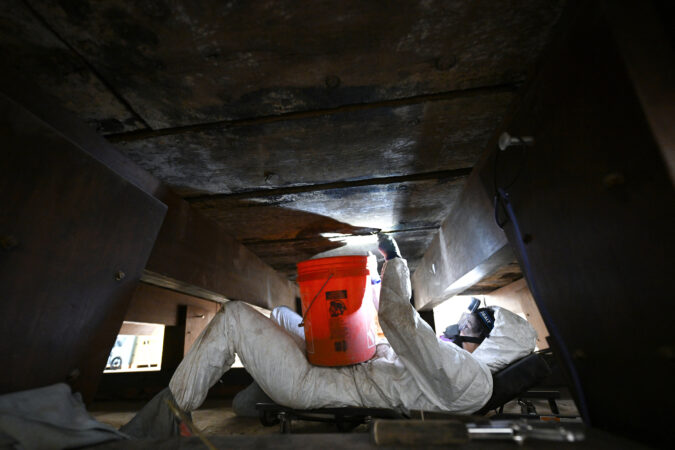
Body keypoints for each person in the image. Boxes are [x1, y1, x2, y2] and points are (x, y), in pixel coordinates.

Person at [163, 234, 537, 418]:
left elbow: (398, 321)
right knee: (279, 315)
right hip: (338, 367)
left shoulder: (471, 380)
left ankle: (167, 418)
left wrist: (396, 262)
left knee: (232, 316)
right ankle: (260, 385)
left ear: (483, 334)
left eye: (475, 315)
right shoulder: (459, 366)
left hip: (317, 383)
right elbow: (392, 331)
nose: (465, 315)